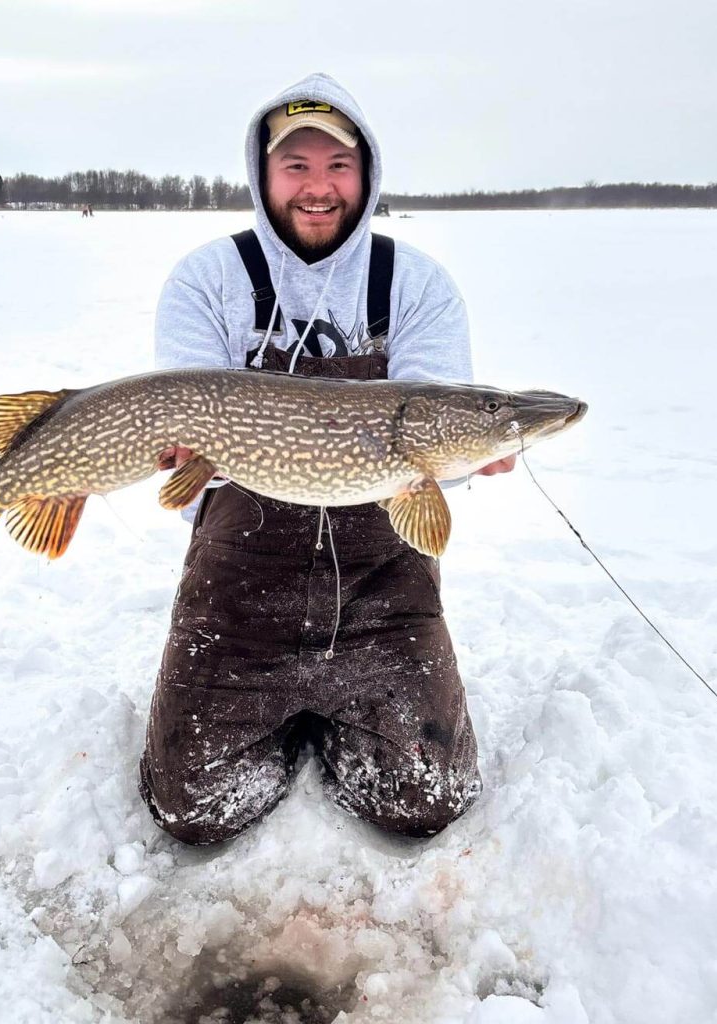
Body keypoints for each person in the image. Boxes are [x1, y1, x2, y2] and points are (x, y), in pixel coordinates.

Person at [139, 72, 514, 846]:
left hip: (384, 602)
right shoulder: (209, 280)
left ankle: (339, 709)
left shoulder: (414, 285)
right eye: (296, 165)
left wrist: (470, 452)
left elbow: (429, 437)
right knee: (193, 810)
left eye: (338, 165)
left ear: (366, 174)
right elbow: (186, 440)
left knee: (425, 798)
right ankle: (286, 712)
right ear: (263, 174)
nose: (318, 187)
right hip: (238, 602)